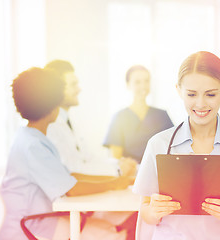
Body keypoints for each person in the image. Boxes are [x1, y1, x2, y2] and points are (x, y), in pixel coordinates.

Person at [132, 51, 220, 239]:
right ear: (179, 90)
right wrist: (154, 211)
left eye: (210, 94)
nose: (200, 104)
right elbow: (145, 211)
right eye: (191, 94)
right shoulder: (158, 145)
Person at [0, 67, 132, 240]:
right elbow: (72, 190)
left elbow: (69, 177)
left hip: (39, 220)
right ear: (53, 104)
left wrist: (117, 181)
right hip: (34, 225)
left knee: (114, 223)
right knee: (120, 232)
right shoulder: (34, 145)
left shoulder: (30, 138)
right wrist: (114, 184)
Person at [44, 60, 137, 240]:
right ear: (56, 89)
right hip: (65, 211)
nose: (78, 89)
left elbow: (87, 158)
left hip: (81, 204)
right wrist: (117, 171)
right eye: (73, 85)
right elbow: (72, 169)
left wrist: (118, 164)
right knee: (133, 222)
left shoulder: (68, 120)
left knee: (136, 215)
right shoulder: (51, 126)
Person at [103, 65, 174, 165]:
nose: (143, 86)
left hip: (158, 174)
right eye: (137, 82)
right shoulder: (119, 118)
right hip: (130, 176)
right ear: (128, 85)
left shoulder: (162, 116)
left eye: (146, 81)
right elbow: (116, 159)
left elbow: (173, 150)